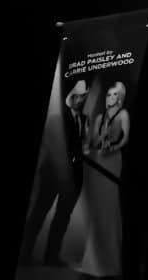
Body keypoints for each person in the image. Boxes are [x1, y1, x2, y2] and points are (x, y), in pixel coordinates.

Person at [23, 78, 90, 266]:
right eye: (78, 97)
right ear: (72, 97)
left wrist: (85, 141)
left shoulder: (84, 120)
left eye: (84, 97)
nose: (81, 100)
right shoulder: (58, 117)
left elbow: (84, 149)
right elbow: (54, 146)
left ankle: (51, 256)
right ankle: (25, 254)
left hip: (73, 177)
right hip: (54, 174)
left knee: (63, 218)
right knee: (39, 213)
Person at [75, 82, 130, 280]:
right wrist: (93, 144)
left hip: (113, 160)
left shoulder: (123, 115)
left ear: (120, 97)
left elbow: (125, 139)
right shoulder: (99, 117)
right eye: (108, 93)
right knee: (97, 209)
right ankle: (92, 263)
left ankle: (110, 263)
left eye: (114, 94)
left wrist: (112, 145)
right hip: (98, 161)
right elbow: (95, 139)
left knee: (109, 208)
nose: (109, 96)